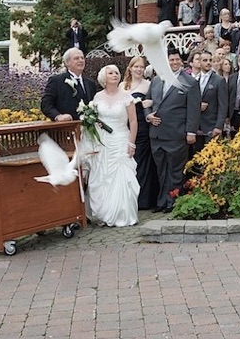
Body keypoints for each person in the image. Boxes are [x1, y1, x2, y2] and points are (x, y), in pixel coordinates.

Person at [82, 65, 140, 227]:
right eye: (111, 73)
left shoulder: (126, 96)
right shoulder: (98, 97)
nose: (114, 75)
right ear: (104, 77)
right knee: (101, 176)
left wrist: (131, 142)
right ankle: (103, 213)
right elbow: (94, 118)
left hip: (121, 139)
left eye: (116, 73)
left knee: (121, 176)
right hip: (102, 142)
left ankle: (123, 214)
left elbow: (133, 121)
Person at [147, 48, 200, 213]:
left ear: (181, 61)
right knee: (161, 171)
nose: (174, 63)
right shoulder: (156, 80)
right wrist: (148, 115)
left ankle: (174, 201)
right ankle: (162, 201)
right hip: (156, 134)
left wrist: (191, 132)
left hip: (177, 134)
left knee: (176, 171)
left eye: (177, 60)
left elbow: (194, 109)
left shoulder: (190, 82)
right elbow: (147, 102)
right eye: (171, 60)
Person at [121, 56, 159, 211]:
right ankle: (129, 197)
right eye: (135, 66)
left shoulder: (148, 85)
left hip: (143, 126)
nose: (138, 69)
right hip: (125, 126)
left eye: (141, 67)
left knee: (142, 162)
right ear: (130, 68)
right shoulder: (123, 86)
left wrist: (150, 105)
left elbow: (156, 103)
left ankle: (144, 199)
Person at [40, 48, 96, 121]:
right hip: (66, 128)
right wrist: (58, 116)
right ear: (67, 62)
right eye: (76, 58)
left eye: (82, 58)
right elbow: (46, 105)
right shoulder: (56, 81)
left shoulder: (90, 83)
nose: (81, 60)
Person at [195, 51, 228, 150]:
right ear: (199, 62)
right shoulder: (194, 80)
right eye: (205, 60)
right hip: (196, 126)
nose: (208, 63)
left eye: (210, 60)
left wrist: (219, 126)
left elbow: (223, 105)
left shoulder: (219, 80)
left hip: (212, 125)